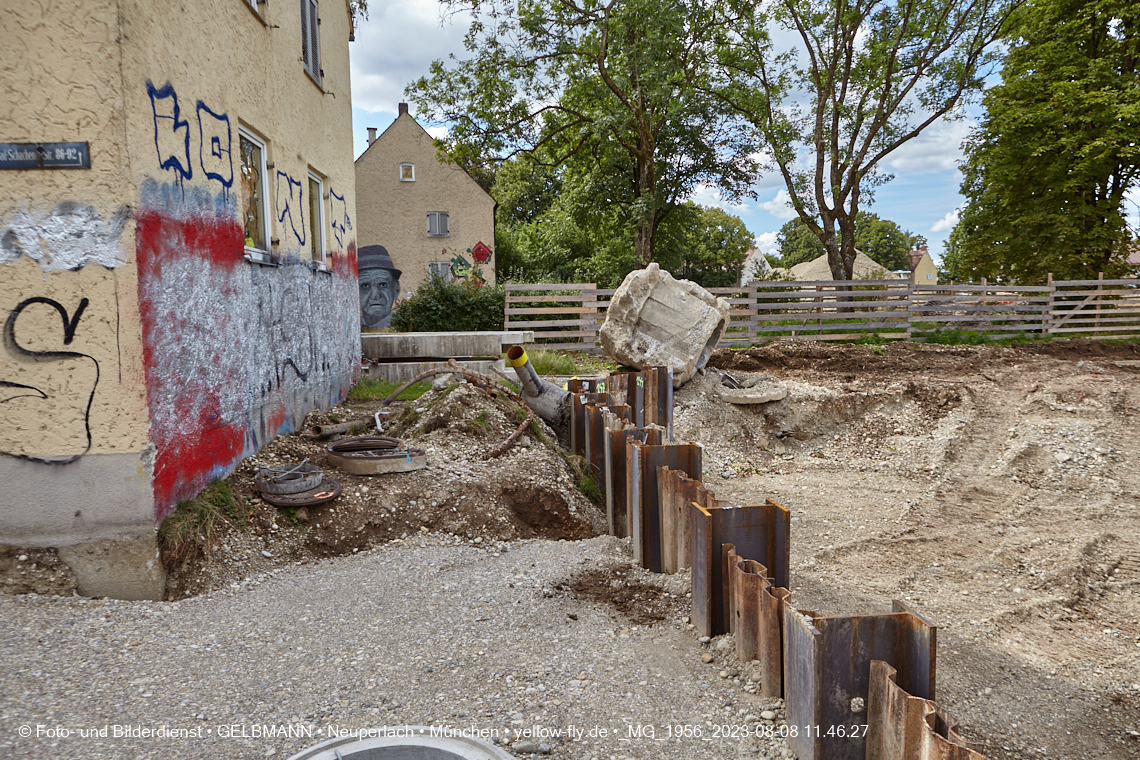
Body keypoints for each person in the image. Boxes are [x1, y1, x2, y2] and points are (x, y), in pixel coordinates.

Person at [358, 245, 402, 328]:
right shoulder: (347, 328)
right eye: (365, 286)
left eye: (383, 285)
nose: (375, 296)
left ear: (396, 289)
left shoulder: (403, 326)